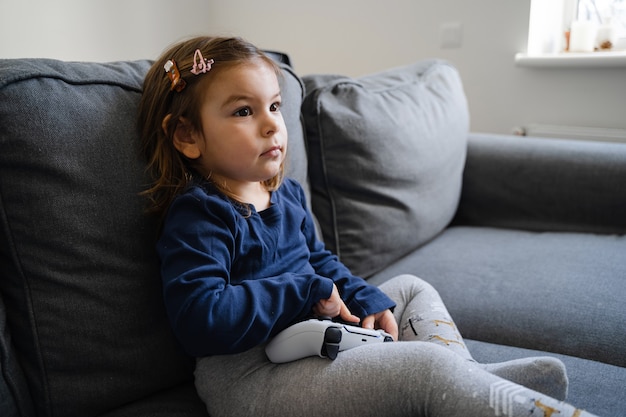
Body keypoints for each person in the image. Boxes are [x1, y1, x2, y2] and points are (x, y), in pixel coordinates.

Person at [138, 35, 598, 417]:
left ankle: (466, 377)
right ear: (187, 136)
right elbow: (200, 318)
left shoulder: (287, 196)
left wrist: (361, 296)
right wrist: (300, 291)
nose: (271, 126)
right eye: (244, 111)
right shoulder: (200, 215)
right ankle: (462, 385)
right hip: (251, 376)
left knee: (411, 288)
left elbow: (319, 262)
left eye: (275, 106)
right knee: (423, 372)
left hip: (321, 337)